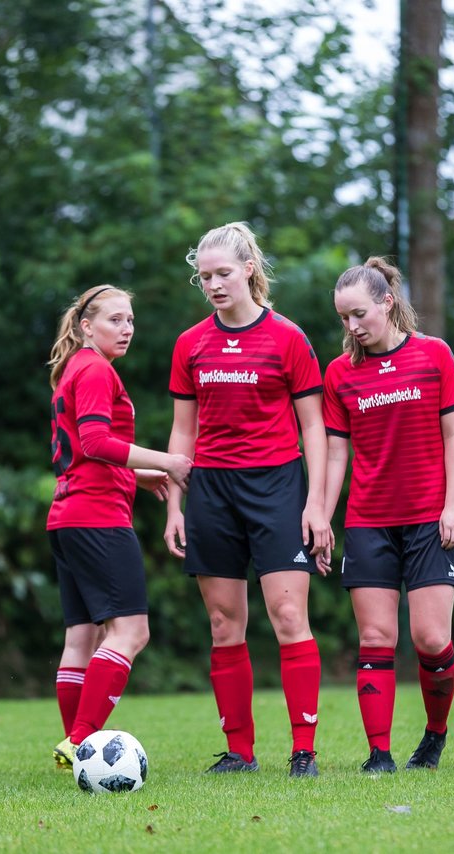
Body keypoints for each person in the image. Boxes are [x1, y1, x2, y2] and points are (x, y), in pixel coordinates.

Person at [164, 222, 333, 778]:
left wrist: (315, 505)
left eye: (223, 274)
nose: (213, 284)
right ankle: (240, 753)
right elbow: (182, 433)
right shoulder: (190, 343)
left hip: (277, 486)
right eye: (204, 276)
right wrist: (173, 505)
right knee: (222, 623)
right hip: (212, 490)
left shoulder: (288, 337)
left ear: (250, 272)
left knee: (288, 615)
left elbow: (315, 427)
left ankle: (303, 750)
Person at [319, 257, 454, 774]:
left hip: (430, 519)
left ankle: (435, 734)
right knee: (376, 639)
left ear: (387, 302)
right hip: (368, 521)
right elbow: (336, 454)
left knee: (430, 639)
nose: (352, 326)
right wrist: (321, 513)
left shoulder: (434, 356)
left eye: (359, 313)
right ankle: (378, 755)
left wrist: (453, 504)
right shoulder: (340, 373)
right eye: (343, 317)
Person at [45, 285, 193, 770]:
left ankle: (74, 743)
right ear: (86, 326)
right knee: (130, 632)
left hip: (68, 518)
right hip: (97, 518)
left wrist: (137, 474)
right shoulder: (93, 369)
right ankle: (82, 740)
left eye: (130, 320)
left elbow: (87, 451)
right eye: (114, 320)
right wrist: (169, 461)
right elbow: (95, 440)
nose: (126, 329)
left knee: (81, 637)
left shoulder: (77, 368)